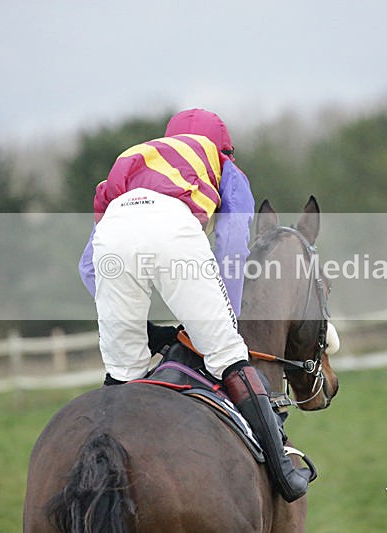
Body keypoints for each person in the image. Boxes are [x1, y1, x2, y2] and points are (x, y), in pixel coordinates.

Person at [78, 108, 311, 502]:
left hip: (114, 228)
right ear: (225, 149)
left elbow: (88, 266)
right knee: (228, 356)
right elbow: (232, 242)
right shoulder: (222, 165)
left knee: (123, 372)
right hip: (171, 228)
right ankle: (284, 473)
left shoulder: (140, 161)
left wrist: (142, 331)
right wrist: (226, 321)